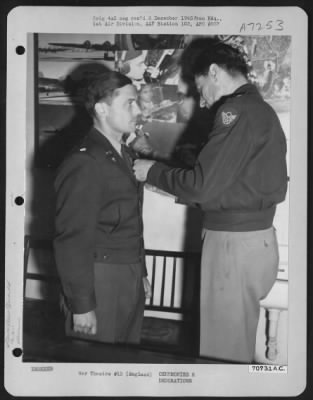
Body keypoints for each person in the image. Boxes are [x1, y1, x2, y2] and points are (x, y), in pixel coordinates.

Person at [133, 37, 288, 363]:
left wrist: (153, 172)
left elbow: (203, 187)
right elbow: (228, 183)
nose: (201, 100)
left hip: (233, 245)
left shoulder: (236, 111)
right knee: (235, 345)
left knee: (221, 355)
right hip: (255, 240)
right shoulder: (259, 111)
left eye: (199, 85)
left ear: (215, 72)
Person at [54, 71, 151, 344]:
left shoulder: (123, 153)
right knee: (94, 367)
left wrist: (139, 272)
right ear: (101, 109)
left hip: (127, 273)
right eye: (129, 103)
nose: (138, 110)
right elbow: (73, 238)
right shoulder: (85, 161)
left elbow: (132, 220)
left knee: (125, 361)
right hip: (99, 277)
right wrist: (82, 304)